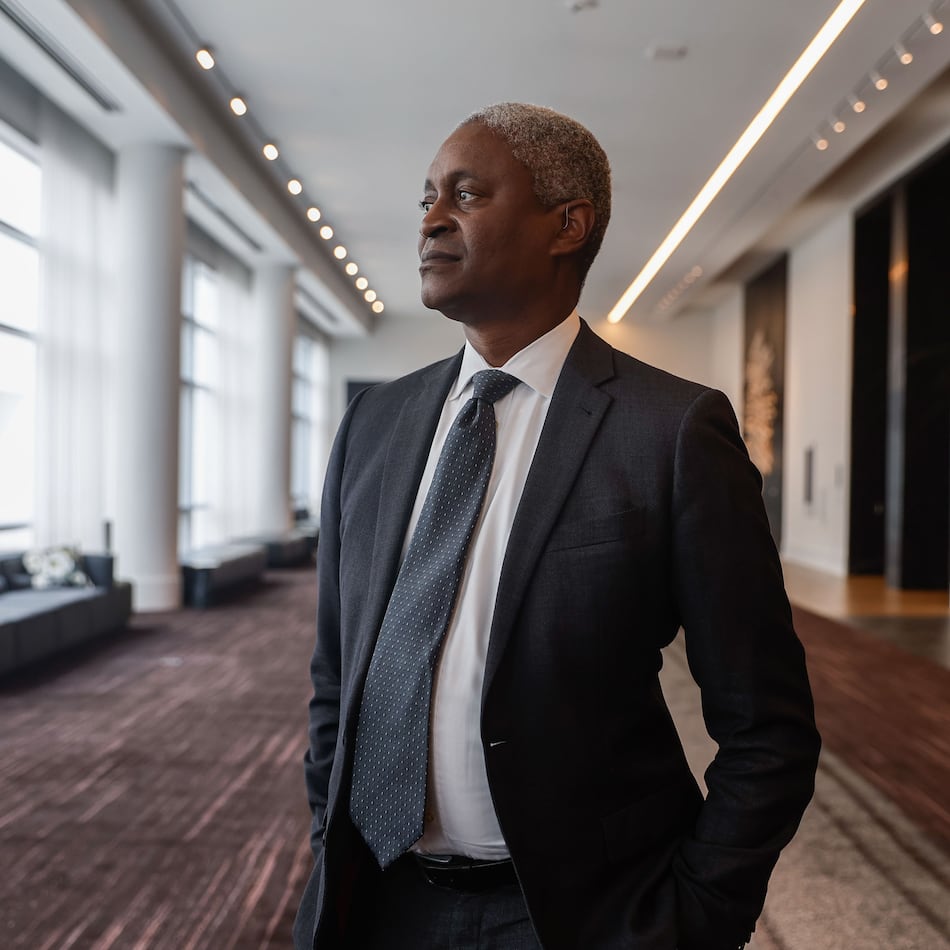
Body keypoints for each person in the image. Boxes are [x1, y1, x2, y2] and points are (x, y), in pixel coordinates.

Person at [293, 102, 820, 950]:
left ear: (567, 225)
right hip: (378, 902)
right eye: (428, 197)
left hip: (578, 914)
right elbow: (335, 672)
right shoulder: (373, 427)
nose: (431, 219)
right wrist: (329, 830)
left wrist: (696, 918)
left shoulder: (670, 432)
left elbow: (768, 727)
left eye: (467, 194)